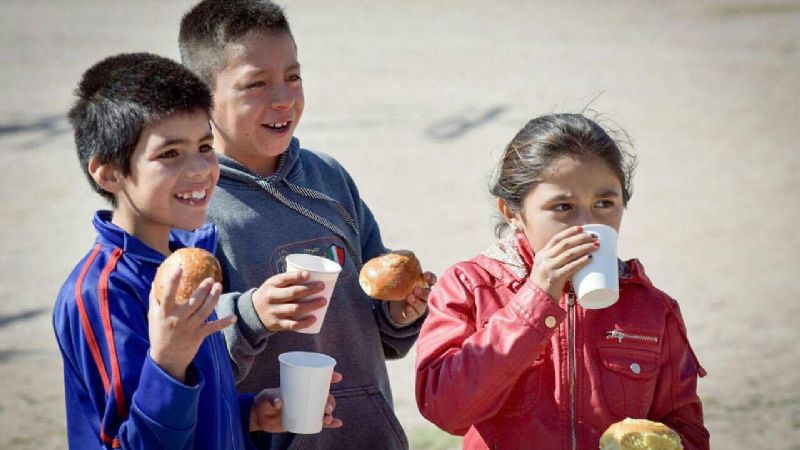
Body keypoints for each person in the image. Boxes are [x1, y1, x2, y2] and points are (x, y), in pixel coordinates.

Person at [178, 1, 435, 449]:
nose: (283, 99)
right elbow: (187, 359)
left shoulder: (328, 178)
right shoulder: (195, 206)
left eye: (293, 77)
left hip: (368, 436)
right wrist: (252, 314)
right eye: (256, 84)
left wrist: (400, 312)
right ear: (201, 98)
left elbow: (378, 319)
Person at [52, 52, 340, 450]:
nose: (200, 169)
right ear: (109, 172)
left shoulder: (187, 268)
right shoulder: (103, 292)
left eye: (205, 147)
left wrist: (250, 414)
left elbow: (193, 418)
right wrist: (167, 362)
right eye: (170, 154)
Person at [415, 113, 710, 449]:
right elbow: (445, 410)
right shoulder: (471, 286)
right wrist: (535, 299)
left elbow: (687, 430)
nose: (586, 223)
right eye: (563, 206)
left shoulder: (651, 308)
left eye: (605, 203)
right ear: (512, 212)